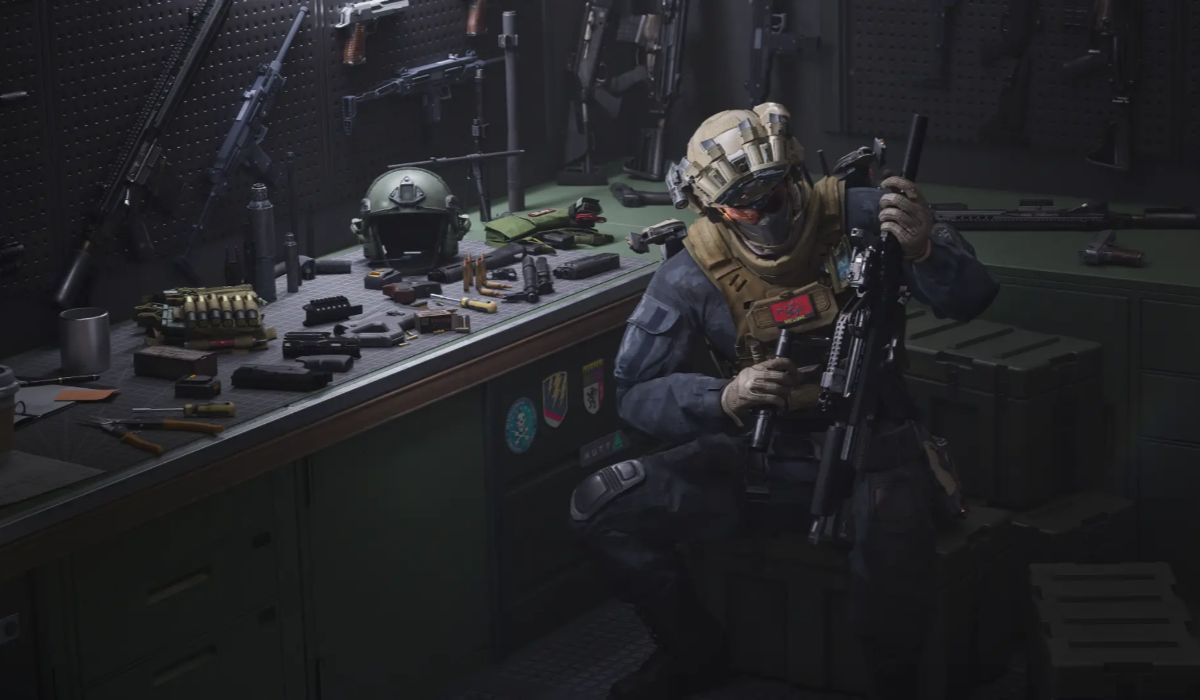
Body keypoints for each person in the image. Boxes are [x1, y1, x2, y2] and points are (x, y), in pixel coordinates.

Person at [568, 103, 998, 700]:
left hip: (872, 444)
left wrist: (926, 251)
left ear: (797, 174)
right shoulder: (693, 270)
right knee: (603, 506)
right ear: (713, 209)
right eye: (747, 206)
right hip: (760, 453)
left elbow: (972, 298)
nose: (768, 216)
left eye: (778, 194)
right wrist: (724, 395)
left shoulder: (866, 216)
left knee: (893, 564)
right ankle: (692, 654)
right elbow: (635, 394)